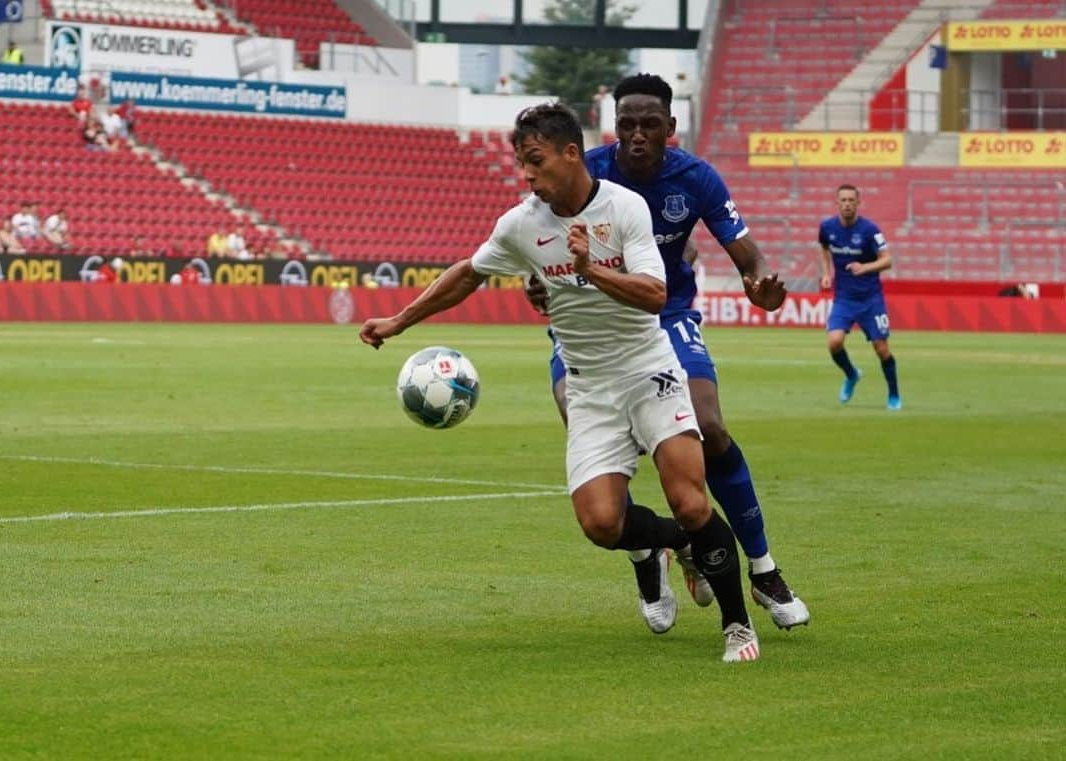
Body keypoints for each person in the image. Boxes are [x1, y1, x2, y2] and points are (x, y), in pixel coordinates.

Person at [361, 103, 761, 663]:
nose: (527, 175)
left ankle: (738, 626)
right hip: (590, 387)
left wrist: (593, 268)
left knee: (692, 501)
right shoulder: (521, 224)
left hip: (650, 370)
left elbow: (654, 293)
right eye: (522, 163)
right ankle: (673, 545)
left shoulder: (625, 208)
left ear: (570, 153)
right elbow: (467, 274)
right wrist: (399, 320)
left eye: (535, 161)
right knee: (601, 523)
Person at [527, 73, 809, 632]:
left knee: (711, 426)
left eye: (649, 124)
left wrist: (758, 282)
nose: (636, 134)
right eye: (626, 123)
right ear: (614, 127)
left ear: (669, 129)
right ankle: (647, 555)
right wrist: (539, 287)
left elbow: (746, 254)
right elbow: (536, 249)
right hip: (590, 322)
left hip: (666, 313)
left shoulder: (696, 178)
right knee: (585, 428)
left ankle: (763, 568)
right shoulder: (584, 174)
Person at [818, 184, 901, 410]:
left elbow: (888, 260)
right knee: (834, 343)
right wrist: (826, 273)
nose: (847, 204)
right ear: (836, 202)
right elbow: (824, 248)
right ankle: (852, 374)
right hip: (844, 299)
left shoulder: (870, 230)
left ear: (858, 203)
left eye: (851, 200)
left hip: (870, 299)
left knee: (881, 348)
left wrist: (865, 267)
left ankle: (893, 394)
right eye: (843, 200)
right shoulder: (827, 228)